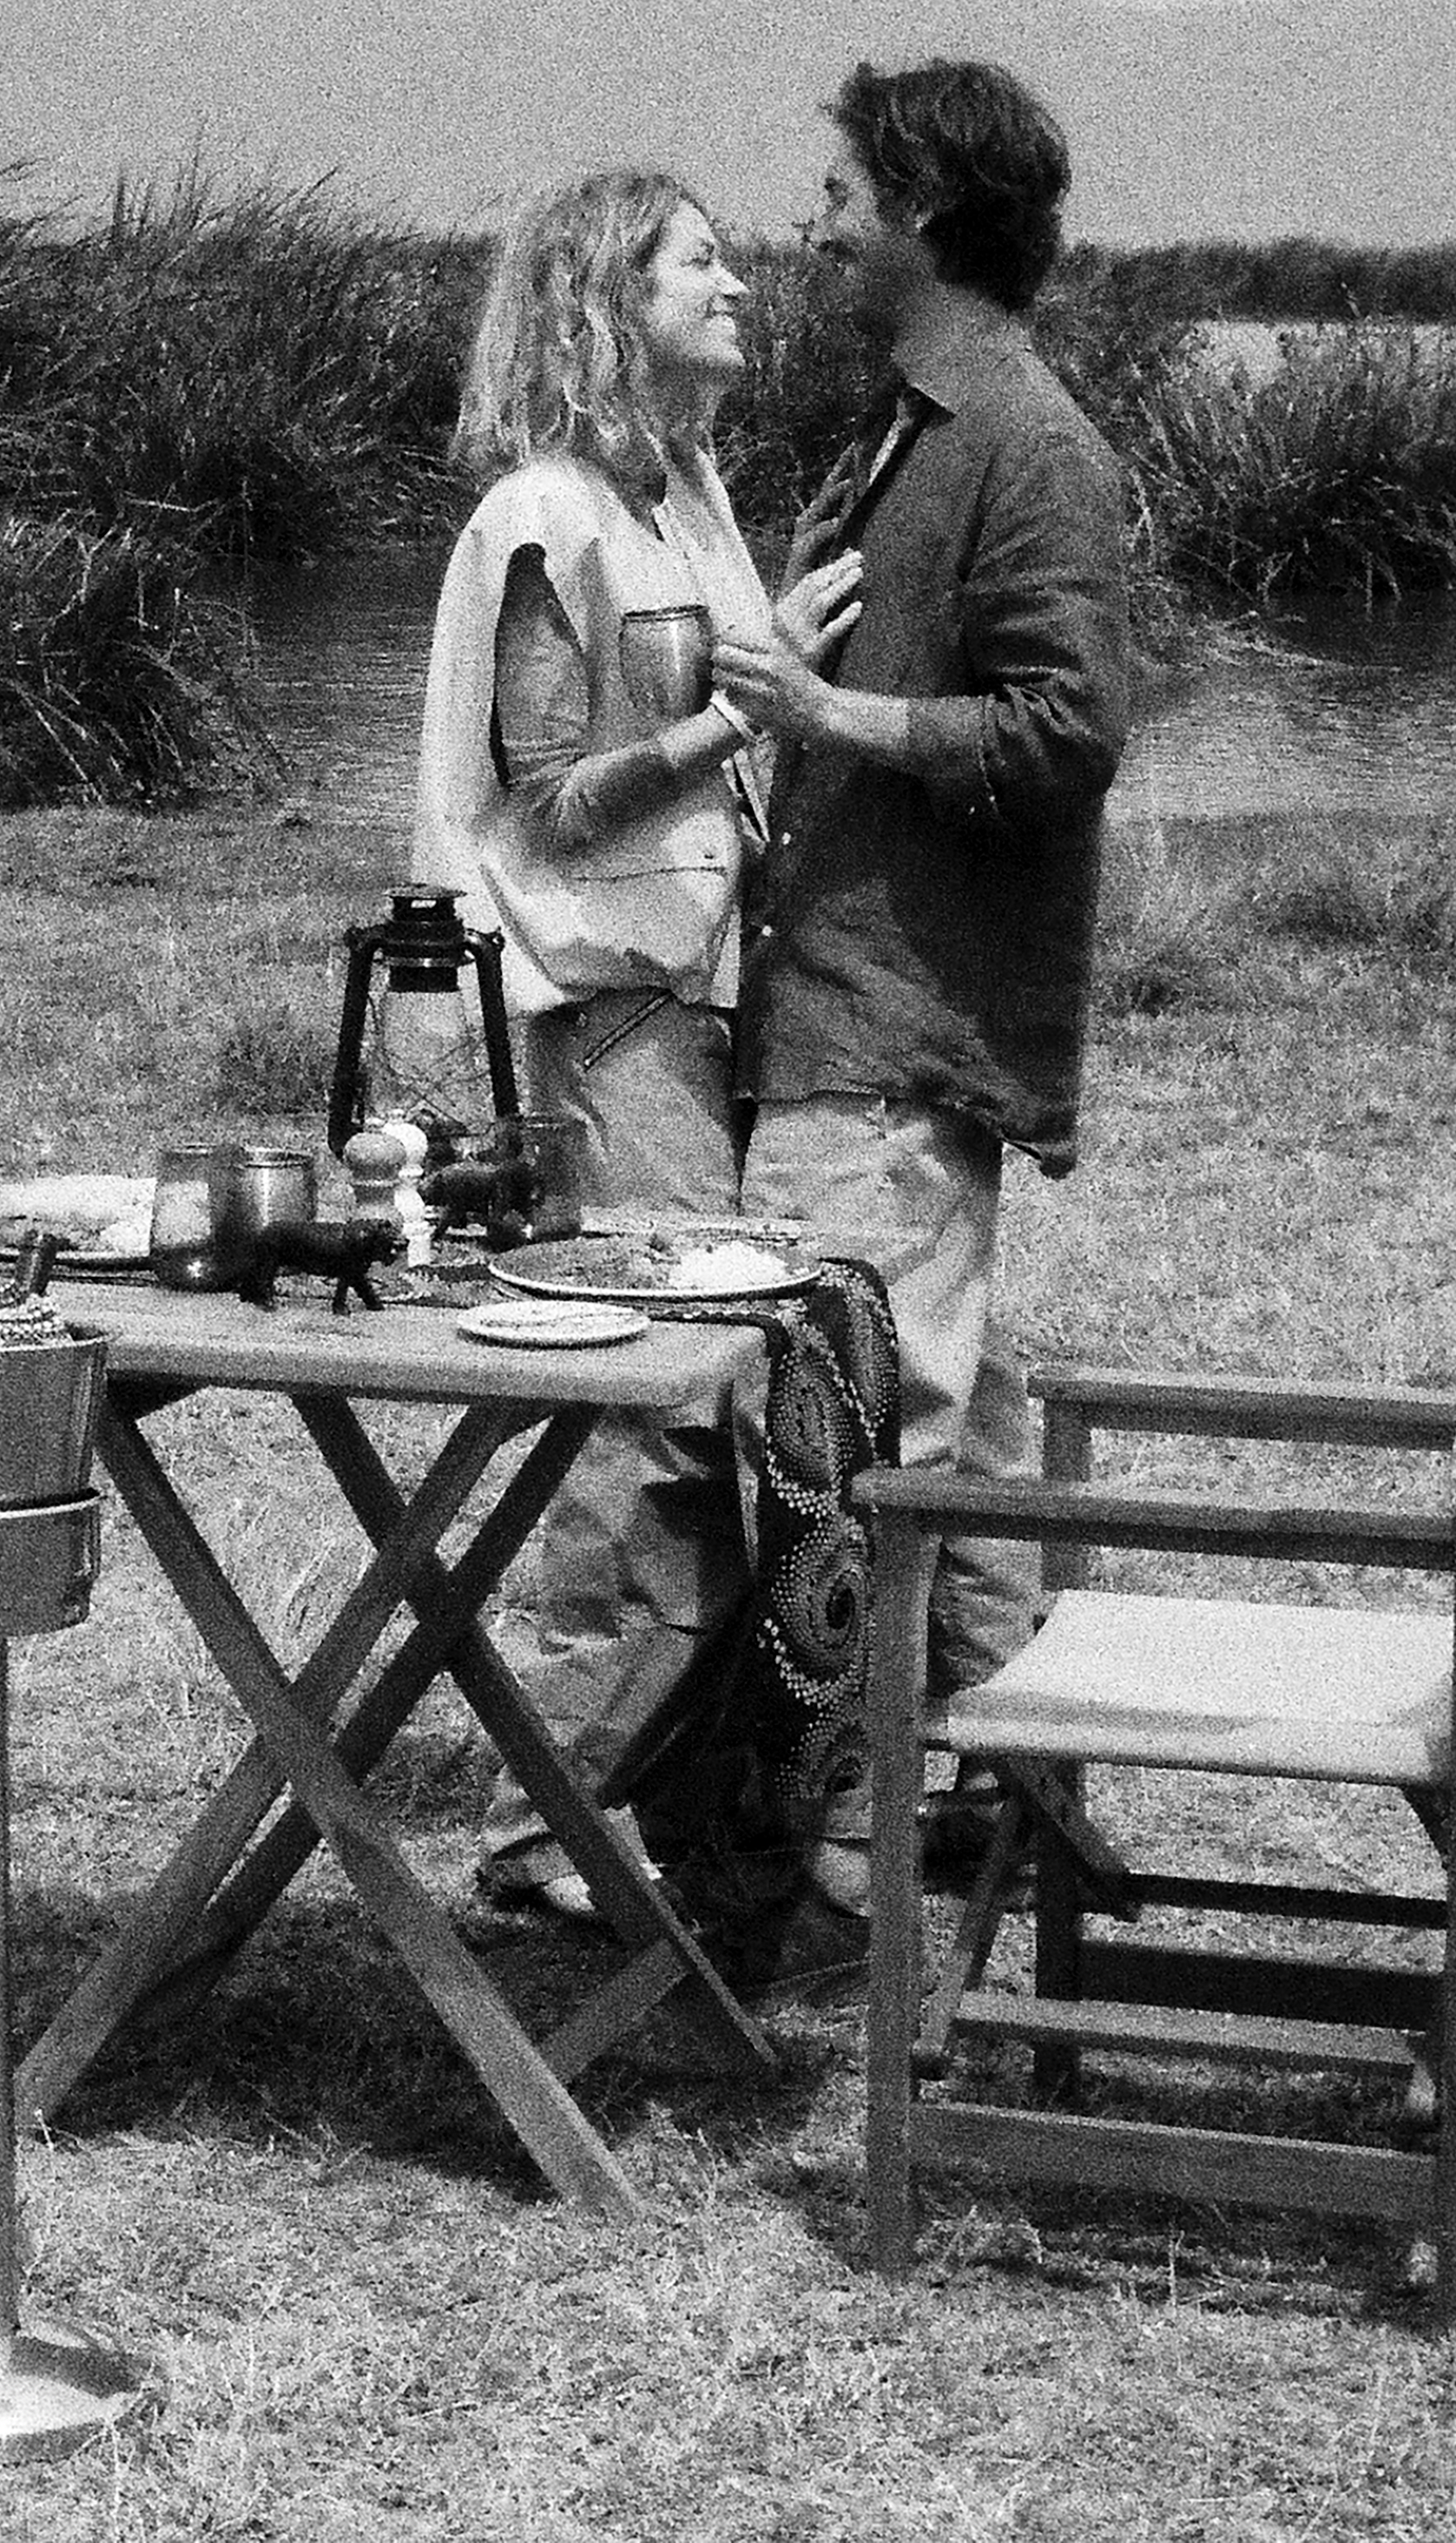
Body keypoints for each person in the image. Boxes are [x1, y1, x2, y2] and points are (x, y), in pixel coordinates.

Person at [707, 58, 1138, 1905]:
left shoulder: (1026, 441)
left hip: (892, 1041)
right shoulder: (913, 426)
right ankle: (1001, 1812)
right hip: (855, 1017)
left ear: (921, 211)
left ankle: (830, 1854)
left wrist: (835, 714)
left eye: (836, 189)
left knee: (835, 1451)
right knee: (934, 1425)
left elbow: (1073, 727)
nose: (806, 222)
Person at [411, 168, 848, 1920]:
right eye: (699, 262)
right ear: (604, 298)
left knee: (738, 1386)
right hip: (609, 1004)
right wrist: (730, 718)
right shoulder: (544, 513)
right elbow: (542, 789)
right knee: (643, 1403)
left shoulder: (691, 493)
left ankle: (696, 1799)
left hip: (715, 980)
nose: (741, 282)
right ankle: (553, 1823)